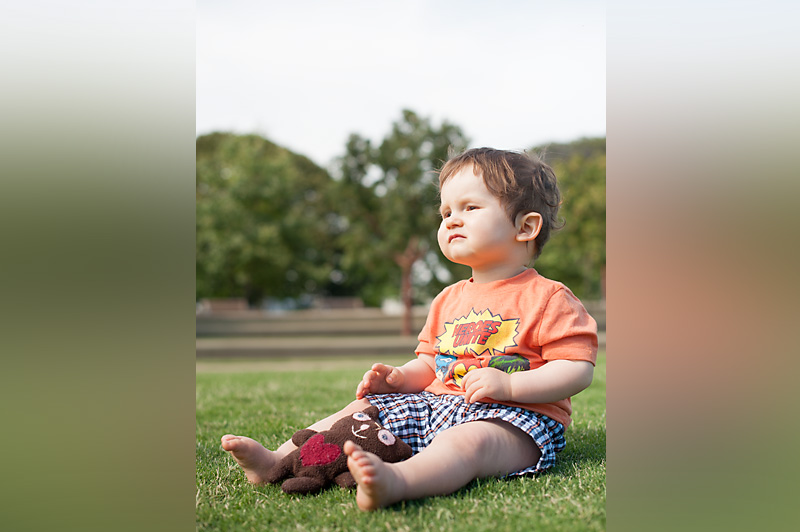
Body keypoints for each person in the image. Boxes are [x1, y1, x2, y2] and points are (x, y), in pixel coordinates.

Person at [221, 147, 598, 511]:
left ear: (525, 226)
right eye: (446, 211)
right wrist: (400, 379)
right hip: (437, 403)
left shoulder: (548, 297)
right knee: (362, 409)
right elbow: (432, 363)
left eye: (470, 207)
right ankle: (277, 460)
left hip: (514, 418)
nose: (451, 219)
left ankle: (398, 481)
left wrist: (511, 386)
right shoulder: (448, 299)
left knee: (467, 442)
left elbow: (576, 368)